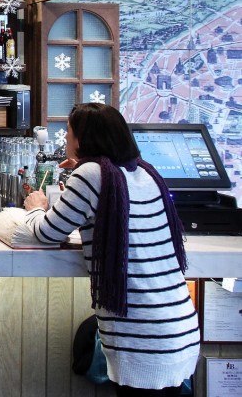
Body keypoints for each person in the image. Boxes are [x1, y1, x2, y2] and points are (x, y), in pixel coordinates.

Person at [23, 104, 199, 396]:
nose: (65, 138)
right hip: (178, 329)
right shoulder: (144, 172)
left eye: (68, 131)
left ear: (82, 137)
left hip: (141, 338)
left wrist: (36, 208)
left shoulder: (92, 174)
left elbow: (47, 232)